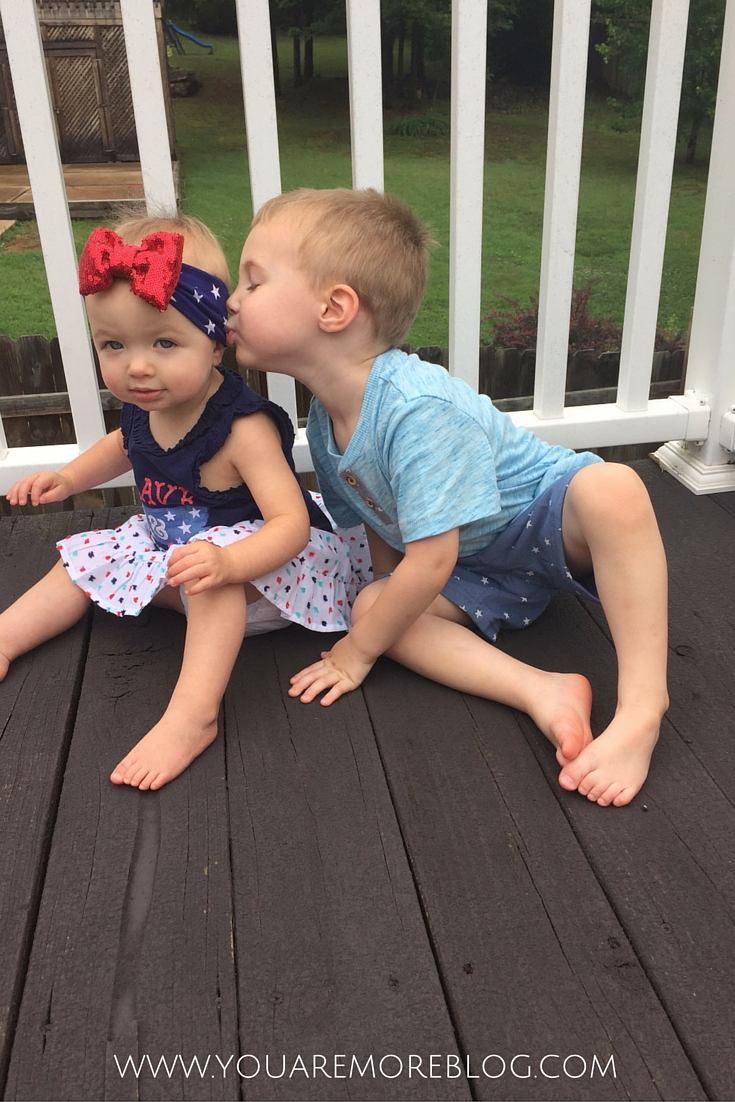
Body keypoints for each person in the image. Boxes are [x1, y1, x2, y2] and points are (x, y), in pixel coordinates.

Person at [224, 187, 669, 809]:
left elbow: (428, 560)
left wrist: (355, 655)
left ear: (334, 308)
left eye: (252, 282)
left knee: (614, 488)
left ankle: (643, 709)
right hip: (471, 567)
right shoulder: (325, 422)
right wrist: (377, 608)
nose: (232, 300)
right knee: (378, 606)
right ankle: (543, 690)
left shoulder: (414, 408)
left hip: (540, 521)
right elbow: (382, 530)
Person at [0, 213, 368, 791]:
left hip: (262, 575)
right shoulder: (148, 404)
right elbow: (122, 447)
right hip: (172, 552)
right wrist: (68, 481)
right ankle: (6, 636)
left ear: (216, 341)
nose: (138, 365)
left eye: (165, 342)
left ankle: (192, 717)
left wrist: (231, 564)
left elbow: (291, 524)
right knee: (79, 560)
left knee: (209, 585)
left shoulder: (241, 429)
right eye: (114, 344)